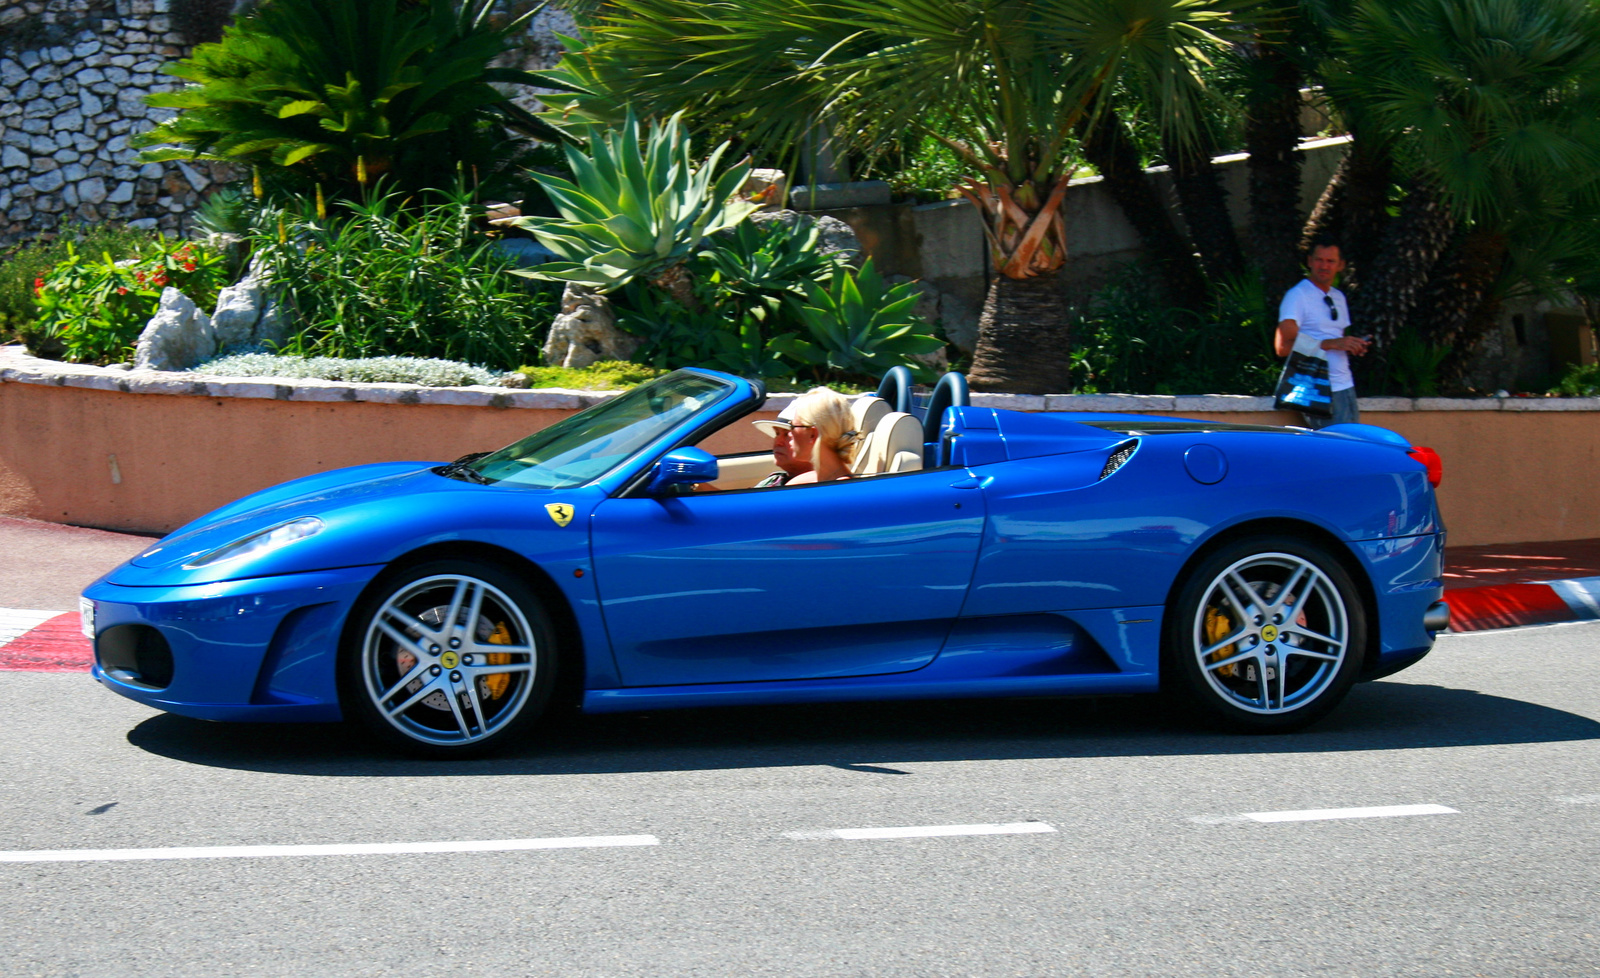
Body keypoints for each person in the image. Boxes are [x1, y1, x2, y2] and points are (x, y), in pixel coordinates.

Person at [1275, 237, 1369, 428]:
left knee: (1351, 449)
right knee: (1335, 453)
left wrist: (1352, 345)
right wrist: (1330, 343)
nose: (1324, 266)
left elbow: (1336, 339)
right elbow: (1282, 347)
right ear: (1310, 261)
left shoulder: (1338, 296)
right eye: (1319, 260)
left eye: (1330, 261)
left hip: (1345, 385)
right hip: (1318, 390)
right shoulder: (1297, 295)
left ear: (1340, 265)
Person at [784, 387, 862, 484]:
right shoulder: (803, 481)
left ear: (812, 435)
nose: (789, 434)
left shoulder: (840, 490)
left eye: (792, 426)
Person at [748, 403, 814, 487]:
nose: (778, 442)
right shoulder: (772, 482)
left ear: (813, 438)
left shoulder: (824, 487)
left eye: (787, 435)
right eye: (777, 433)